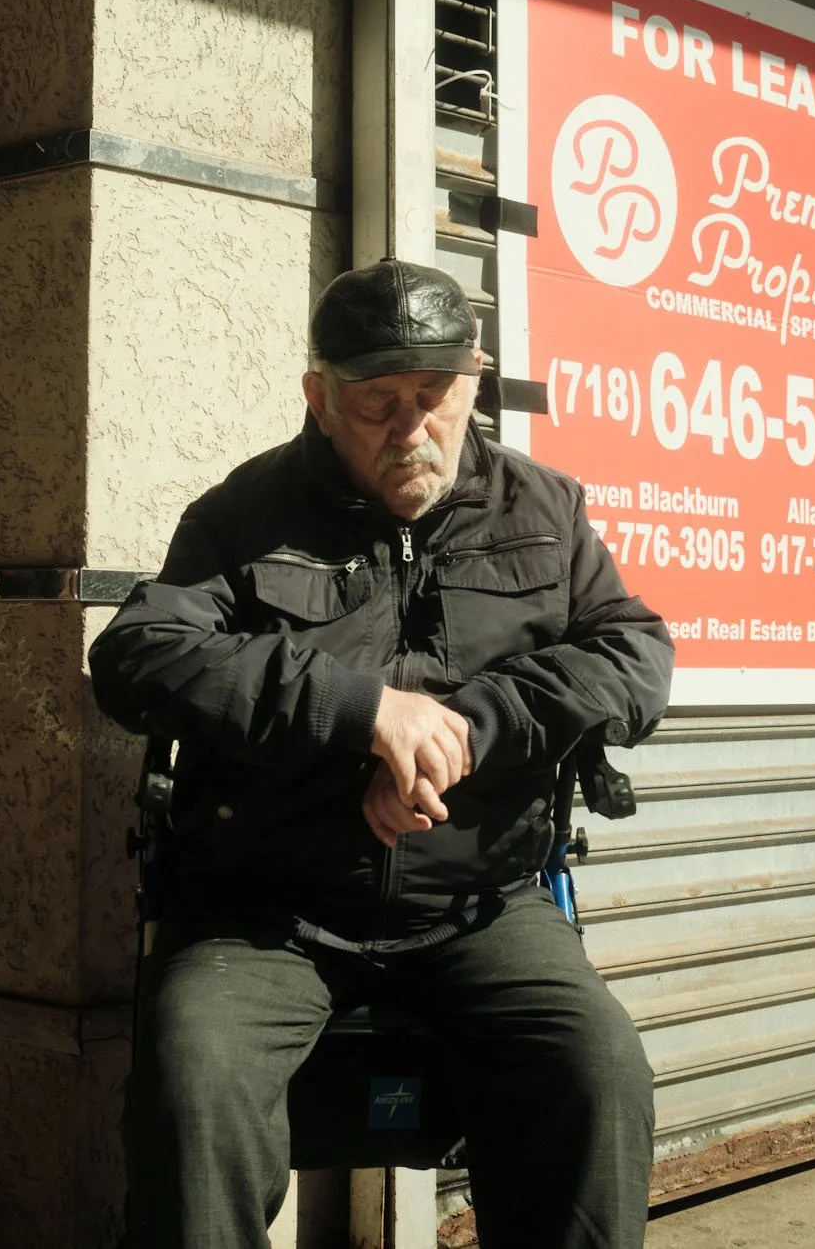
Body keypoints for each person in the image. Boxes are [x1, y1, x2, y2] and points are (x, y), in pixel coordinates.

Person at [89, 258, 675, 1249]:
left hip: (480, 902)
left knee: (597, 1072)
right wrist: (361, 714)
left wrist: (468, 729)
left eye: (433, 394)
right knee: (191, 1082)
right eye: (376, 402)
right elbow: (137, 655)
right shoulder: (243, 516)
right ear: (319, 397)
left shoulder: (544, 510)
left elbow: (635, 654)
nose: (410, 429)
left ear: (474, 381)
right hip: (265, 909)